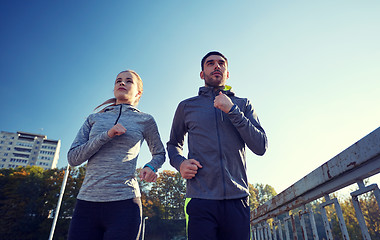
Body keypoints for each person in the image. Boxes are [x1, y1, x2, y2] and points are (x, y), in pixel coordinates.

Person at [167, 51, 268, 239]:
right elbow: (173, 144)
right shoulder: (186, 106)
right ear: (202, 73)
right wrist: (180, 163)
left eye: (221, 63)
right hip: (200, 199)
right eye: (210, 63)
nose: (217, 66)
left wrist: (232, 110)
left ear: (227, 73)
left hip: (237, 200)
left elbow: (260, 146)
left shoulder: (242, 104)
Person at [67, 70, 166, 240]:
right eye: (118, 80)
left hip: (125, 203)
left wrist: (151, 167)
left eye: (129, 81)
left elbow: (160, 153)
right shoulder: (94, 118)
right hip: (87, 203)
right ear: (114, 89)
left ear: (138, 93)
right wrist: (106, 135)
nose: (122, 83)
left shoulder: (146, 120)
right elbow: (73, 158)